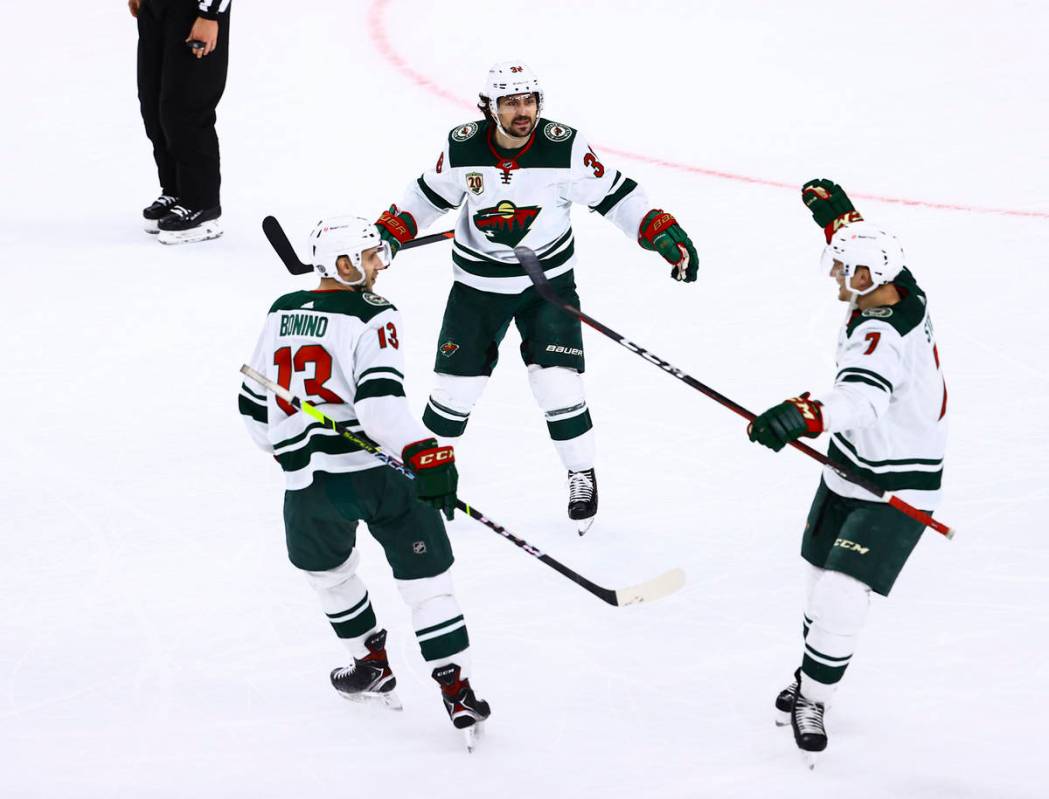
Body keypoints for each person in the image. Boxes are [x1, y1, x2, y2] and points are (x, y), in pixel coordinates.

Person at [373, 61, 700, 534]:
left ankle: (581, 473)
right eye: (510, 102)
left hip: (546, 287)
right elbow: (426, 196)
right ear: (490, 107)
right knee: (453, 394)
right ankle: (417, 476)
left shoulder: (565, 147)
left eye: (528, 101)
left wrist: (659, 232)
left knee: (559, 386)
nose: (522, 111)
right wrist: (389, 234)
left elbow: (617, 194)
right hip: (477, 289)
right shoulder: (462, 146)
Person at [238, 216, 491, 747]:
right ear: (344, 264)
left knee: (328, 577)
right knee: (428, 588)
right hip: (381, 476)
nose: (380, 265)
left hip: (310, 485)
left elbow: (252, 405)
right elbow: (379, 405)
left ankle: (368, 662)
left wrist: (287, 447)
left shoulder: (281, 310)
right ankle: (458, 691)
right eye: (370, 257)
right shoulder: (373, 314)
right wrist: (425, 453)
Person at [747, 179, 948, 764]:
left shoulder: (880, 334)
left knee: (840, 593)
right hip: (850, 468)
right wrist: (839, 219)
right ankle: (813, 673)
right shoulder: (898, 288)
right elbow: (864, 250)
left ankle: (814, 696)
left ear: (868, 276)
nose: (837, 278)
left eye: (845, 271)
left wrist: (804, 415)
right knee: (817, 581)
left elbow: (860, 402)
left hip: (896, 483)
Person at [130, 0, 231, 244]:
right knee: (153, 104)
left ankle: (202, 205)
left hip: (195, 10)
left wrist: (210, 13)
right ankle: (176, 192)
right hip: (155, 8)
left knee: (186, 106)